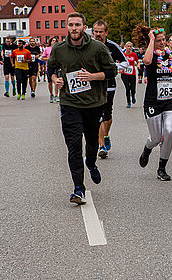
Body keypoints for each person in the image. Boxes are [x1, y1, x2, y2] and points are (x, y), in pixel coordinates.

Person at [48, 12, 117, 204]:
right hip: (69, 103)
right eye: (71, 25)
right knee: (74, 146)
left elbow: (113, 71)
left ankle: (92, 162)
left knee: (92, 143)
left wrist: (92, 77)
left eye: (77, 25)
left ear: (83, 27)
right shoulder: (59, 49)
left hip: (93, 103)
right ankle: (79, 188)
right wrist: (56, 79)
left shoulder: (98, 48)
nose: (74, 28)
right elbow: (51, 68)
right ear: (67, 27)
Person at [138, 28, 172, 181]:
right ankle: (147, 149)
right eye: (159, 40)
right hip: (153, 101)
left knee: (168, 132)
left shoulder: (171, 56)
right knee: (156, 138)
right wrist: (151, 40)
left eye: (163, 40)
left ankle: (162, 168)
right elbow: (146, 61)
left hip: (170, 100)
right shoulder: (151, 55)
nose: (161, 43)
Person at [92, 20, 129, 159]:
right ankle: (101, 146)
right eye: (96, 31)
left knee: (107, 115)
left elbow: (125, 62)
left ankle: (106, 135)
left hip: (109, 84)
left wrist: (112, 68)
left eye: (101, 32)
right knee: (98, 115)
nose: (98, 34)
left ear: (106, 33)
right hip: (94, 85)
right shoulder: (89, 46)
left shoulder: (112, 46)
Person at [41, 37, 60, 103]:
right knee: (50, 82)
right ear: (50, 42)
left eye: (55, 41)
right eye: (53, 41)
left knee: (57, 81)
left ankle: (56, 95)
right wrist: (49, 59)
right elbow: (42, 58)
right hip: (49, 67)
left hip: (57, 66)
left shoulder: (59, 49)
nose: (54, 42)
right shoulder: (47, 49)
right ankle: (51, 94)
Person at [121, 41, 138, 108]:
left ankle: (133, 95)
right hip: (124, 73)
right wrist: (121, 69)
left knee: (133, 89)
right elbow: (120, 62)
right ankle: (128, 102)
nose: (129, 47)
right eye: (128, 46)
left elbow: (137, 61)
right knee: (127, 88)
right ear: (125, 47)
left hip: (132, 73)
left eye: (130, 46)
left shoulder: (134, 54)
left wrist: (138, 66)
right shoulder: (123, 54)